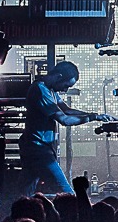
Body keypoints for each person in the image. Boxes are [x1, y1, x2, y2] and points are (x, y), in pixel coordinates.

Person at [21, 60, 108, 198]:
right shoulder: (40, 90)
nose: (65, 90)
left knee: (24, 194)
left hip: (36, 147)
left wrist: (96, 116)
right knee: (67, 193)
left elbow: (67, 110)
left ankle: (10, 209)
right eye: (66, 85)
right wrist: (91, 118)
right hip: (38, 149)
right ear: (59, 76)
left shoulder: (49, 90)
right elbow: (64, 119)